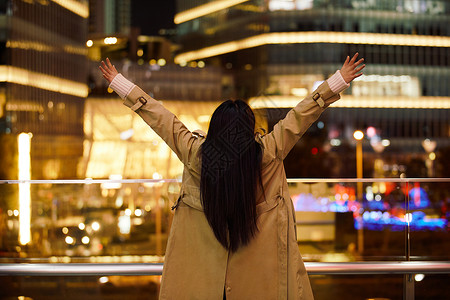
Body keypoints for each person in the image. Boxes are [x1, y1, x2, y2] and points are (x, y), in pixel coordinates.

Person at [100, 54, 365, 300]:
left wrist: (120, 83)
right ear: (249, 129)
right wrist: (338, 80)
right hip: (258, 281)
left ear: (215, 129)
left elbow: (160, 118)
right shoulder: (268, 153)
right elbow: (301, 116)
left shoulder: (195, 155)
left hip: (203, 282)